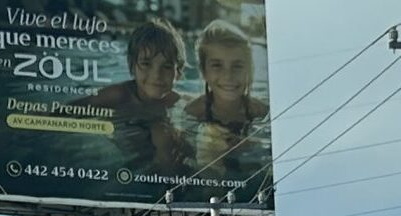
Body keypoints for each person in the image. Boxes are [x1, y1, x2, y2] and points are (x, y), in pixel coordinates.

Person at [86, 17, 189, 174]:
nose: (156, 75)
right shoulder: (118, 96)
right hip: (130, 144)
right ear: (132, 65)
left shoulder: (180, 102)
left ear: (179, 72)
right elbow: (60, 113)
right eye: (146, 64)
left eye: (167, 66)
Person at [177, 19, 270, 185]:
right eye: (217, 65)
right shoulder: (194, 112)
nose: (228, 76)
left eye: (237, 66)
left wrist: (251, 147)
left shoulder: (261, 111)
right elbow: (185, 157)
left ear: (249, 71)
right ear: (203, 72)